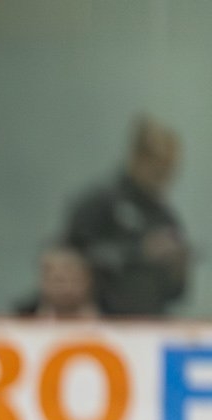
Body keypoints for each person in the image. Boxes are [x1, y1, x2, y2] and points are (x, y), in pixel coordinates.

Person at [63, 117, 189, 318]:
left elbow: (176, 293)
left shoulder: (166, 218)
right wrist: (140, 251)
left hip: (151, 321)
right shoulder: (99, 203)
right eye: (158, 169)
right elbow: (73, 257)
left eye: (169, 171)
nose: (164, 178)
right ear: (137, 158)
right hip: (101, 319)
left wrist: (178, 268)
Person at [14, 245, 101, 319]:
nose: (68, 288)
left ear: (89, 280)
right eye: (59, 281)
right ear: (43, 280)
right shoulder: (22, 316)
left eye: (75, 281)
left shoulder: (107, 313)